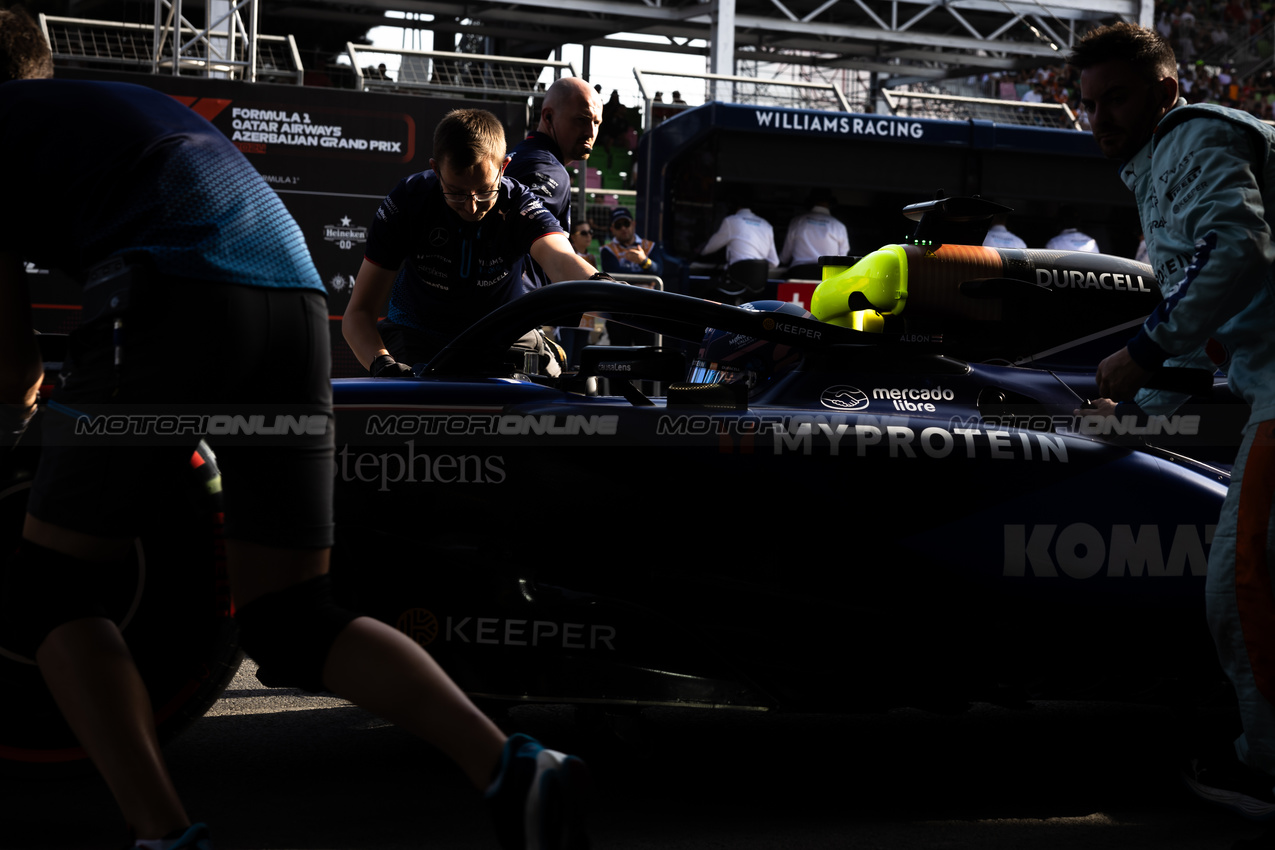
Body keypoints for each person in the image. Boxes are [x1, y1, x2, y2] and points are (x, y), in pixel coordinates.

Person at [0, 9, 587, 849]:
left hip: (171, 290)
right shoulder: (98, 107)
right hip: (293, 294)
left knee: (49, 592)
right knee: (290, 616)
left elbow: (12, 368)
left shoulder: (10, 121)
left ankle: (163, 837)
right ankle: (513, 766)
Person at [1071, 21, 1275, 822]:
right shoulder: (1163, 164)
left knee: (1243, 582)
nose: (1098, 120)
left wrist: (1139, 356)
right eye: (1087, 105)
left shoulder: (1189, 141)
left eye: (1114, 99)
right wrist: (1131, 416)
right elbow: (1201, 338)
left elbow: (1236, 250)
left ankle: (1264, 770)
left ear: (1162, 91)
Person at [342, 108, 604, 373]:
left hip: (504, 334)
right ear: (436, 169)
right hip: (417, 332)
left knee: (561, 394)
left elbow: (561, 259)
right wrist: (382, 364)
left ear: (504, 168)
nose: (472, 206)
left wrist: (608, 289)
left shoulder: (518, 202)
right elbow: (358, 313)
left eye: (485, 191)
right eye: (456, 192)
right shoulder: (407, 201)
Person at [505, 76, 602, 289]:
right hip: (511, 310)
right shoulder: (549, 169)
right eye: (581, 120)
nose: (590, 132)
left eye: (596, 122)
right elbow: (532, 243)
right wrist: (605, 292)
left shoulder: (520, 154)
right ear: (548, 116)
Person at [779, 190, 850, 279]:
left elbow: (785, 257)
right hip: (826, 276)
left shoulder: (797, 222)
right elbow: (842, 260)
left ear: (809, 202)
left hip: (799, 273)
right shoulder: (839, 226)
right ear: (831, 203)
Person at [600, 207, 661, 277]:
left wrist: (644, 261)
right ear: (612, 230)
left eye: (626, 223)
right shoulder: (607, 250)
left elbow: (658, 271)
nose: (623, 228)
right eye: (618, 225)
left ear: (633, 224)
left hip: (646, 288)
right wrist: (646, 277)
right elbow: (614, 276)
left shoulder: (650, 245)